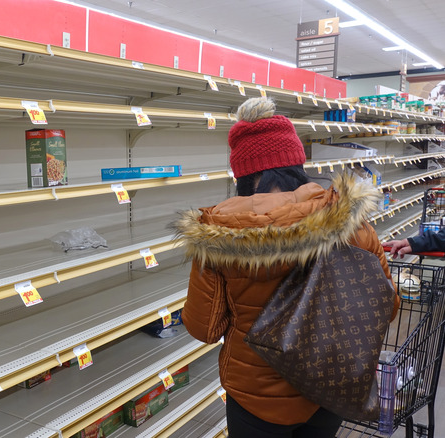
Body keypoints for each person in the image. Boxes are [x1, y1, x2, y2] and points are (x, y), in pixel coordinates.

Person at [171, 97, 399, 438]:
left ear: (241, 174)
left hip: (255, 396)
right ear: (296, 162)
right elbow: (387, 306)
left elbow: (205, 329)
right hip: (330, 385)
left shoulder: (219, 237)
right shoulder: (349, 221)